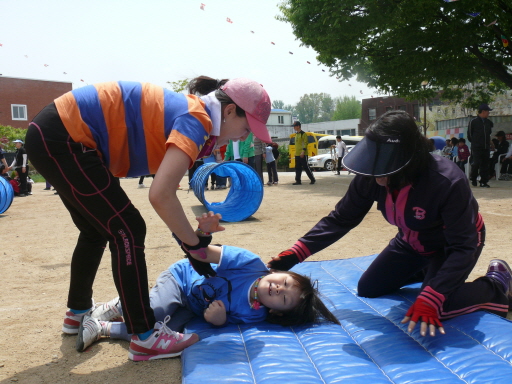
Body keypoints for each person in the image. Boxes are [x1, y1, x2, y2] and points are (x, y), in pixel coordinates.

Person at [24, 76, 272, 361]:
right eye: (247, 127)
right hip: (65, 136)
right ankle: (144, 336)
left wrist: (192, 244)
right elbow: (161, 195)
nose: (245, 137)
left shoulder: (197, 116)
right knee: (128, 228)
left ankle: (77, 312)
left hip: (57, 132)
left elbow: (164, 197)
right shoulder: (197, 119)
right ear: (229, 111)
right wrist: (194, 247)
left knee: (96, 230)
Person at [268, 110, 512, 338]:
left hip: (451, 247)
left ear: (408, 160)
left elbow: (464, 246)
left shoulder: (446, 182)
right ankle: (429, 273)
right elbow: (342, 218)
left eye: (385, 168)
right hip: (411, 242)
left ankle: (496, 284)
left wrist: (432, 296)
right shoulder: (371, 177)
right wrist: (296, 253)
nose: (378, 176)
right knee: (369, 287)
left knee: (440, 307)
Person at [75, 212, 340, 360]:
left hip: (191, 307)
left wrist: (218, 320)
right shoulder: (250, 264)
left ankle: (102, 327)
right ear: (278, 272)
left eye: (283, 299)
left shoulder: (255, 314)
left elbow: (225, 319)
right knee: (154, 313)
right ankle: (119, 304)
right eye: (284, 282)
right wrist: (203, 234)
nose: (278, 289)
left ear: (277, 313)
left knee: (161, 332)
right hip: (180, 279)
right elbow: (200, 254)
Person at [468, 104, 494, 188]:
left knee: (485, 164)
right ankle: (473, 178)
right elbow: (470, 135)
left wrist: (490, 143)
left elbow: (489, 134)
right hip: (476, 147)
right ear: (483, 111)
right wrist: (475, 143)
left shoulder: (488, 122)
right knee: (476, 163)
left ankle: (483, 181)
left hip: (486, 147)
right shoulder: (473, 121)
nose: (488, 113)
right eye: (488, 111)